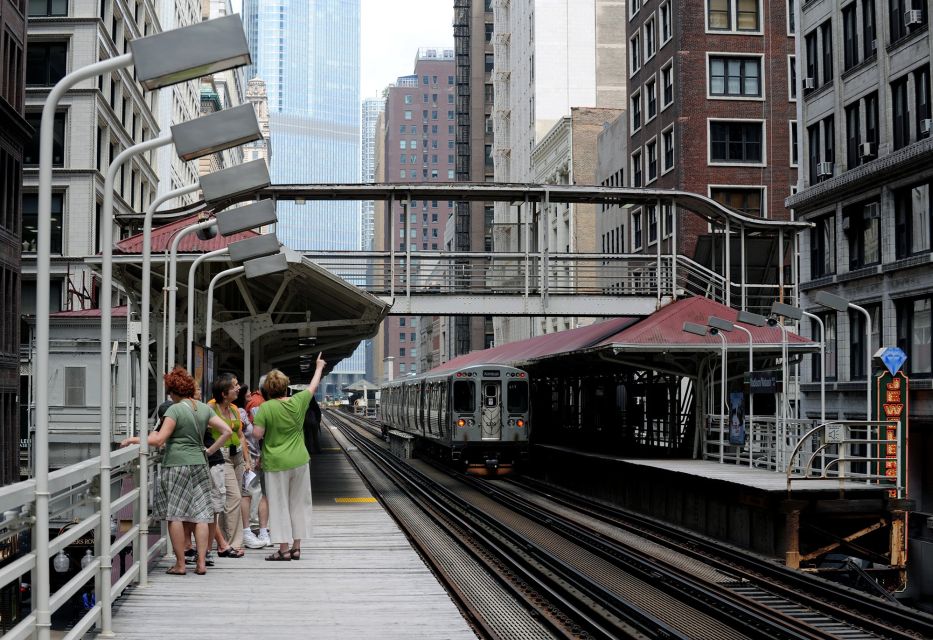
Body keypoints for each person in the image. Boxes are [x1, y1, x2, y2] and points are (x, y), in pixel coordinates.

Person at [121, 367, 232, 575]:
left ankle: (180, 564)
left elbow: (158, 439)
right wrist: (209, 451)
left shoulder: (174, 410)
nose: (169, 396)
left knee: (176, 515)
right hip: (200, 464)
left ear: (173, 391)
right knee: (201, 515)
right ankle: (201, 563)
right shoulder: (203, 408)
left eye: (169, 392)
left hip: (176, 465)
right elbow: (227, 431)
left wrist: (133, 439)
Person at [252, 353, 326, 561]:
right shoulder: (298, 401)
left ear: (268, 390)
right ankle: (297, 547)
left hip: (275, 462)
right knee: (299, 503)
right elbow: (312, 386)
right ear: (286, 387)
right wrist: (319, 367)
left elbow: (257, 434)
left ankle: (283, 549)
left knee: (279, 505)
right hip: (299, 460)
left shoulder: (266, 408)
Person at [209, 373, 252, 555]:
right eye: (234, 386)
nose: (238, 388)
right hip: (222, 456)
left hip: (237, 456)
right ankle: (234, 544)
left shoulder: (234, 408)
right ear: (224, 393)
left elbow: (241, 435)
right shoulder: (211, 408)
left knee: (232, 498)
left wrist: (247, 459)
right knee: (233, 497)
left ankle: (225, 541)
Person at [241, 377, 272, 548]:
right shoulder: (258, 403)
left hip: (255, 454)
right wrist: (260, 453)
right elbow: (259, 432)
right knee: (256, 492)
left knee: (257, 492)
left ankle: (259, 529)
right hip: (254, 455)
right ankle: (255, 528)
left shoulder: (256, 401)